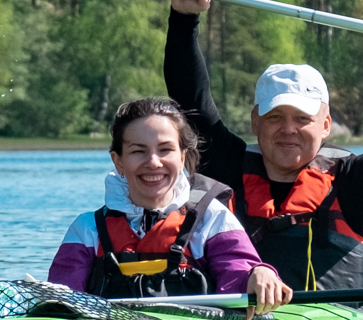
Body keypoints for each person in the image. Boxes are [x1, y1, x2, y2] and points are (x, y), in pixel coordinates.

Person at [165, 0, 363, 310]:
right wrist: (184, 18)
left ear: (326, 124)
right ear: (255, 121)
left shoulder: (358, 185)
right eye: (275, 117)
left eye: (303, 119)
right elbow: (191, 102)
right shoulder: (228, 169)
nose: (289, 129)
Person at [48, 95, 283, 305]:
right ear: (118, 161)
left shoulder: (213, 219)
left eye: (165, 150)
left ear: (182, 157)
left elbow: (238, 273)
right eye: (138, 151)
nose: (153, 162)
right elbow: (63, 302)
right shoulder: (87, 230)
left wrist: (258, 273)